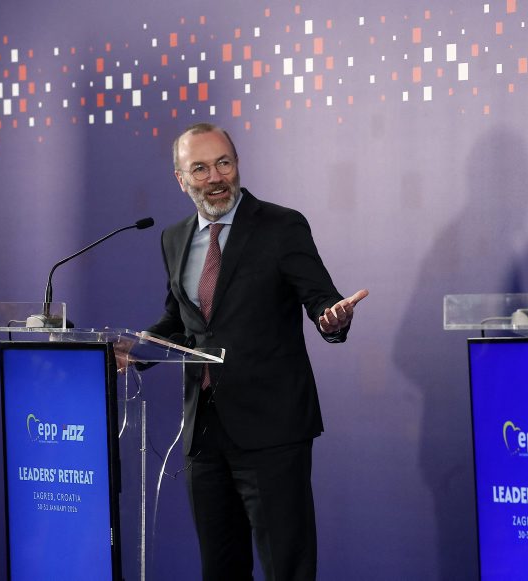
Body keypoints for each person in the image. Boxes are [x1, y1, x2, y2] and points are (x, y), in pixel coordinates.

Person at [146, 122, 368, 580]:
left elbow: (321, 299)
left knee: (287, 567)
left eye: (223, 163)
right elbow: (179, 321)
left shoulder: (281, 226)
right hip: (204, 432)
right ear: (181, 179)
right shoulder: (173, 238)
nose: (215, 177)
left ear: (237, 164)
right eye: (200, 168)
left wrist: (332, 318)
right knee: (220, 568)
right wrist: (134, 350)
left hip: (272, 429)